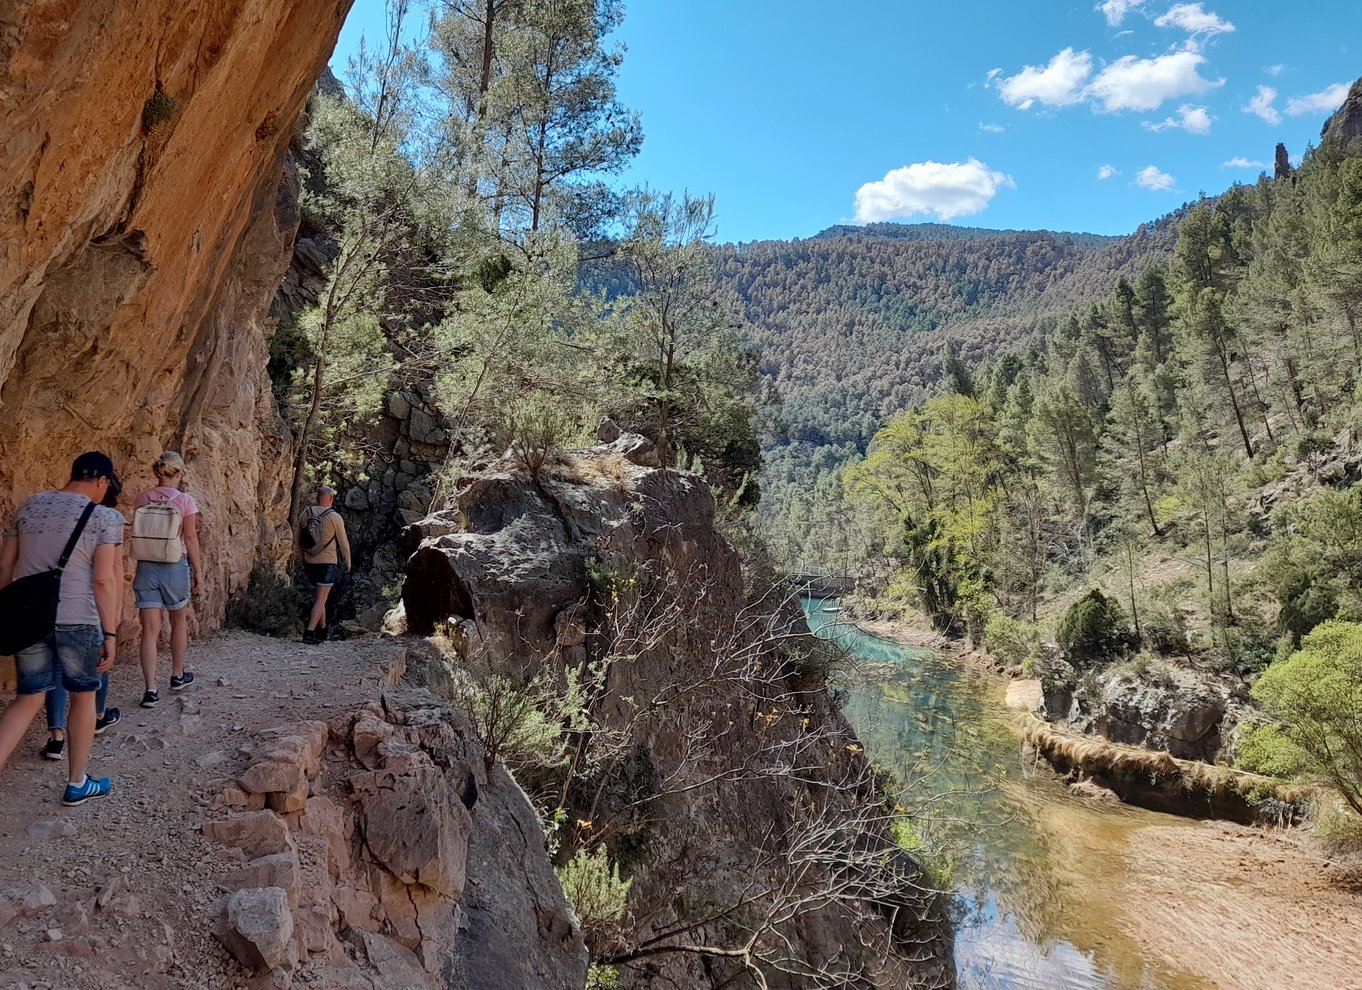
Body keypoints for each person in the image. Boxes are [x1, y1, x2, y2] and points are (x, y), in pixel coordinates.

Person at [0, 451, 123, 805]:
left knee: (29, 698)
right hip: (78, 618)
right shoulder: (103, 517)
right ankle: (77, 782)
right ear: (101, 481)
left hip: (30, 618)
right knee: (83, 695)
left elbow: (6, 566)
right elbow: (102, 581)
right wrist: (110, 632)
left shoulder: (30, 506)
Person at [40, 481, 124, 759]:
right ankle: (98, 715)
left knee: (53, 671)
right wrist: (114, 613)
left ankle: (56, 736)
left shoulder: (62, 514)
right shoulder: (110, 518)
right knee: (97, 666)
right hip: (88, 608)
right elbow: (113, 571)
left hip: (52, 606)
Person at [132, 451, 202, 708]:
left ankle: (150, 689)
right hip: (173, 564)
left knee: (148, 630)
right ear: (180, 472)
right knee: (178, 621)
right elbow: (191, 538)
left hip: (146, 566)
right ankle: (177, 674)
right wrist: (199, 574)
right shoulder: (185, 501)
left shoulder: (143, 498)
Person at [301, 484, 349, 644]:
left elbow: (298, 539)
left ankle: (322, 632)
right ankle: (309, 633)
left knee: (320, 597)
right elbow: (343, 543)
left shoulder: (305, 514)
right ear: (330, 498)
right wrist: (348, 560)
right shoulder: (334, 517)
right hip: (327, 563)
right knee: (321, 599)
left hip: (309, 561)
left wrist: (302, 557)